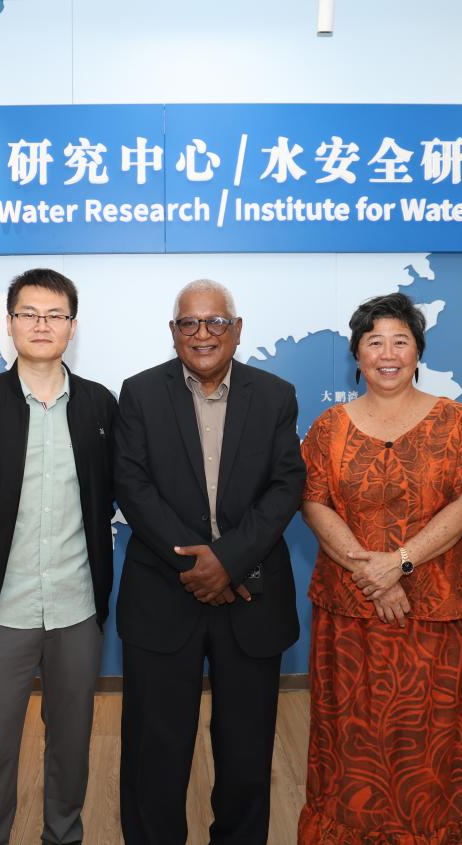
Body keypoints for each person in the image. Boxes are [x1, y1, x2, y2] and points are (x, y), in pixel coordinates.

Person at [297, 292, 462, 843]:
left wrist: (400, 562)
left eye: (400, 341)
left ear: (418, 351)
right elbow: (313, 503)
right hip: (349, 613)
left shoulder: (455, 420)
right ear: (357, 354)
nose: (387, 354)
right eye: (374, 342)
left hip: (430, 613)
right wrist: (374, 574)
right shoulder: (329, 426)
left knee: (430, 743)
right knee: (350, 742)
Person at [115, 279, 305, 845]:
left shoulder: (275, 395)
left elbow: (286, 485)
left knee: (247, 754)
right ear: (173, 332)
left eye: (216, 321)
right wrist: (198, 567)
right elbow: (132, 486)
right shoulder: (139, 393)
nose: (203, 333)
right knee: (156, 753)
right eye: (189, 323)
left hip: (251, 595)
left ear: (237, 329)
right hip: (163, 594)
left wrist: (227, 561)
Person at [0, 268, 117, 845]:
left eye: (55, 315)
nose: (42, 325)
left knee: (72, 741)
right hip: (2, 609)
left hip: (76, 606)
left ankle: (64, 835)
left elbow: (110, 494)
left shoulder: (100, 406)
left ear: (72, 327)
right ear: (9, 323)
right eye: (29, 314)